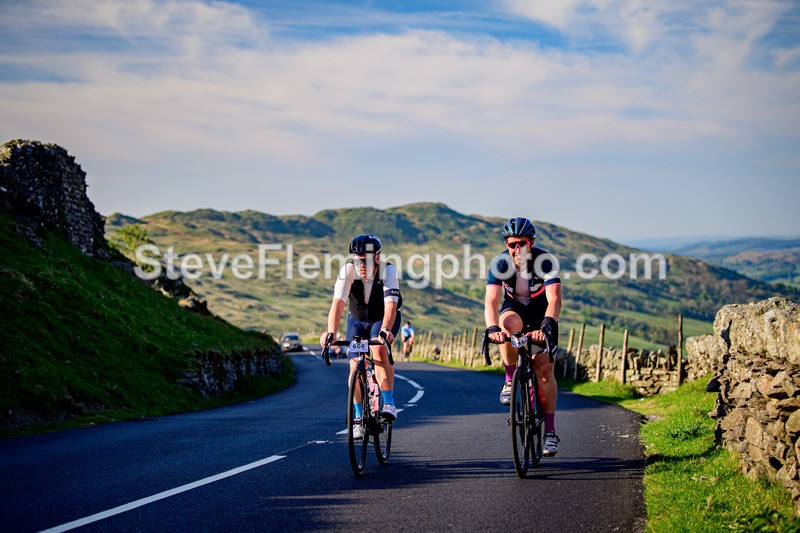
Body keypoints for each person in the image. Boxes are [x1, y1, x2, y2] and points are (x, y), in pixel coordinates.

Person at [484, 217, 563, 456]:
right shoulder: (500, 263)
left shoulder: (545, 261)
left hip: (542, 315)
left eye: (522, 243)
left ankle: (549, 432)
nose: (517, 249)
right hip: (514, 311)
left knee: (543, 370)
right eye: (512, 244)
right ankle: (510, 379)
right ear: (506, 245)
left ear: (532, 242)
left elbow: (555, 299)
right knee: (507, 326)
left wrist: (547, 325)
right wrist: (492, 329)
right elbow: (491, 301)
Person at [320, 234, 402, 439]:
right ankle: (357, 418)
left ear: (376, 258)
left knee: (379, 350)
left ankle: (389, 403)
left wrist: (385, 331)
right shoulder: (347, 271)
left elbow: (391, 306)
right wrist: (331, 333)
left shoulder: (388, 270)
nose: (361, 264)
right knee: (356, 363)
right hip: (357, 319)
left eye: (365, 259)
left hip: (382, 319)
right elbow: (337, 304)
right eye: (357, 260)